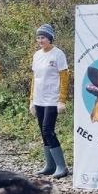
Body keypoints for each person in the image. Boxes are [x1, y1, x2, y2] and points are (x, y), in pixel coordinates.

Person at [28, 23, 70, 179]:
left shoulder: (58, 54)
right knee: (42, 132)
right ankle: (50, 165)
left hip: (52, 99)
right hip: (39, 99)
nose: (40, 40)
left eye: (43, 37)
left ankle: (61, 166)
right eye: (38, 37)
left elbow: (64, 77)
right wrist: (31, 100)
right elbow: (34, 78)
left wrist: (62, 100)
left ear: (50, 38)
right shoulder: (37, 55)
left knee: (48, 130)